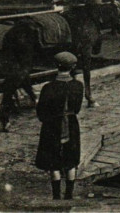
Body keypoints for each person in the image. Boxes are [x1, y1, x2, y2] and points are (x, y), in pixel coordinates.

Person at [35, 51, 84, 200]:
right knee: (71, 160)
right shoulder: (78, 86)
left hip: (52, 125)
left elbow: (41, 113)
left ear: (56, 66)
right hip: (72, 124)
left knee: (53, 162)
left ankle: (56, 196)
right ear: (73, 66)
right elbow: (77, 109)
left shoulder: (48, 87)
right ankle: (69, 194)